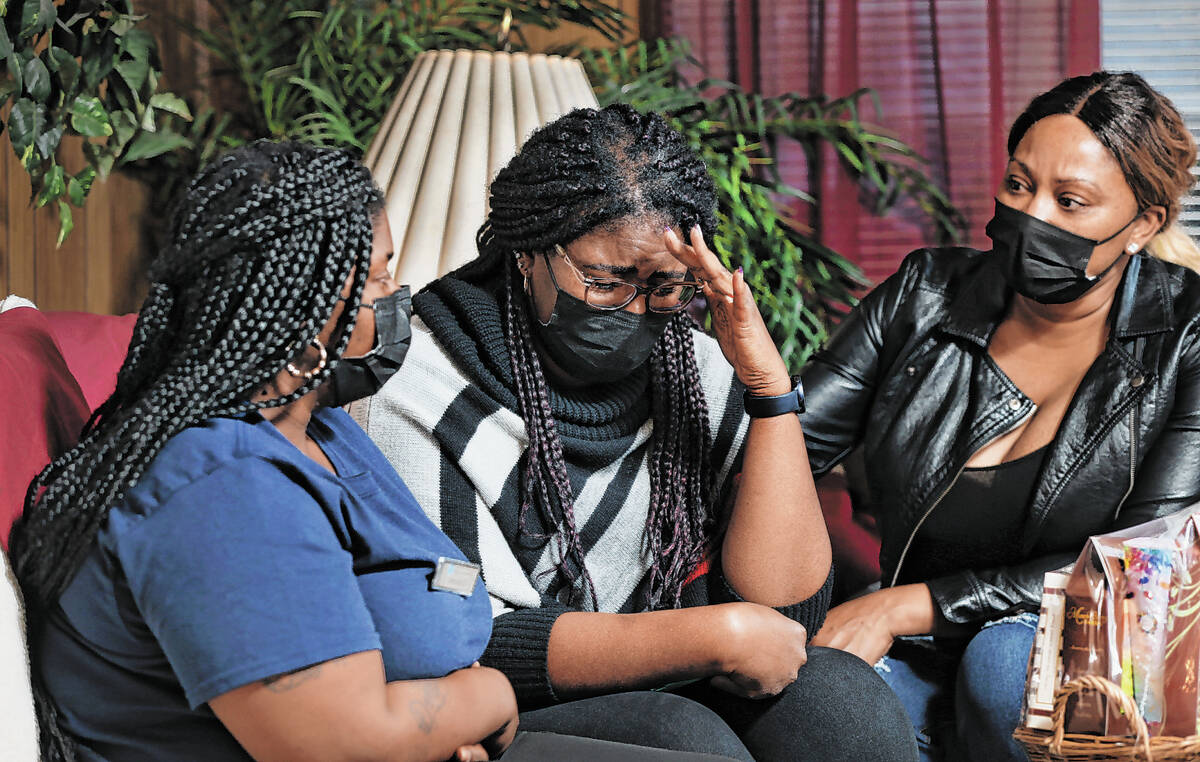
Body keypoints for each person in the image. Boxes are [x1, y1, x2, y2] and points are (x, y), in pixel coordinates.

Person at [10, 142, 697, 762]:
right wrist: (488, 699)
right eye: (374, 278)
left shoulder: (323, 430)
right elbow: (341, 743)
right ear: (303, 314)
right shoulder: (220, 487)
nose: (396, 298)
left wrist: (433, 723)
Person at [358, 103, 918, 761]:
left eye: (664, 288)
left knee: (842, 706)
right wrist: (711, 638)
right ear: (529, 253)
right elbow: (468, 638)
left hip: (671, 662)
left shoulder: (695, 365)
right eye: (603, 282)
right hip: (498, 699)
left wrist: (769, 394)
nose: (635, 310)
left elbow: (784, 617)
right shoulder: (417, 385)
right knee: (689, 743)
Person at [804, 71, 1200, 761]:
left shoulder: (1189, 334)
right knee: (820, 706)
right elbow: (784, 449)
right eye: (1019, 185)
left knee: (1001, 663)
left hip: (1115, 648)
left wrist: (902, 605)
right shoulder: (923, 295)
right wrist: (748, 378)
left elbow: (1142, 566)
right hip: (927, 651)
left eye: (1070, 201)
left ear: (1143, 224)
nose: (1033, 216)